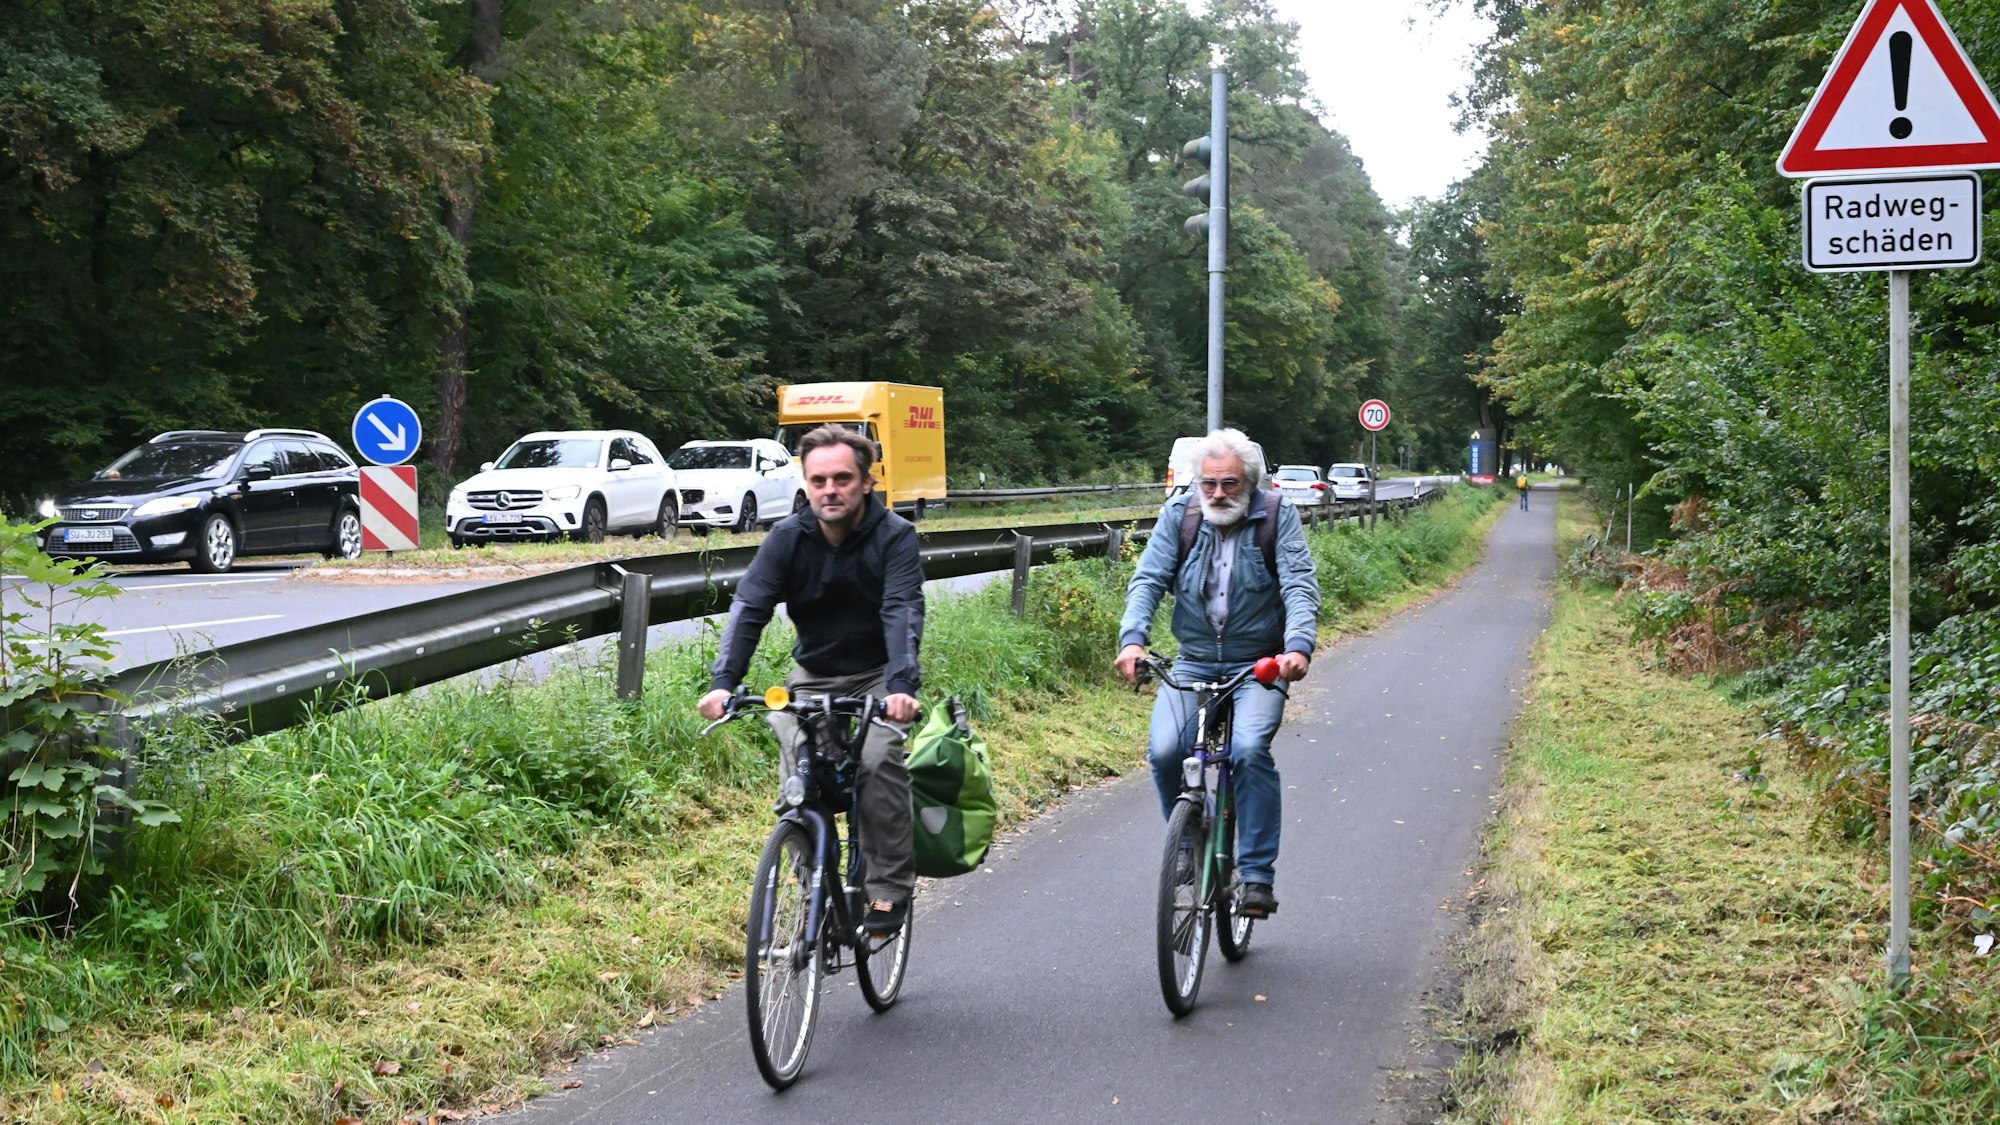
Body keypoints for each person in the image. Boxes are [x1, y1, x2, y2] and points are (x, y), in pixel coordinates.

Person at [699, 425, 924, 935]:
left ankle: (888, 891)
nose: (830, 489)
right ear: (806, 483)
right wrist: (723, 682)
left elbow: (902, 612)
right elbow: (749, 607)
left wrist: (903, 688)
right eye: (819, 479)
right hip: (812, 677)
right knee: (800, 779)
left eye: (843, 478)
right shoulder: (786, 539)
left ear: (866, 482)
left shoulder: (895, 537)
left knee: (877, 759)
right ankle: (812, 891)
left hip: (878, 677)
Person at [1115, 429, 1320, 918]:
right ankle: (1186, 842)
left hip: (1259, 663)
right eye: (1208, 484)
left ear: (1248, 482)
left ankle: (1255, 876)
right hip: (1193, 659)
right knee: (1166, 749)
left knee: (1248, 749)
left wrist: (1297, 647)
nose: (1218, 494)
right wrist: (1132, 639)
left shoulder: (1275, 514)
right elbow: (1148, 578)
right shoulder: (1180, 516)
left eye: (1229, 484)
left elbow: (1298, 584)